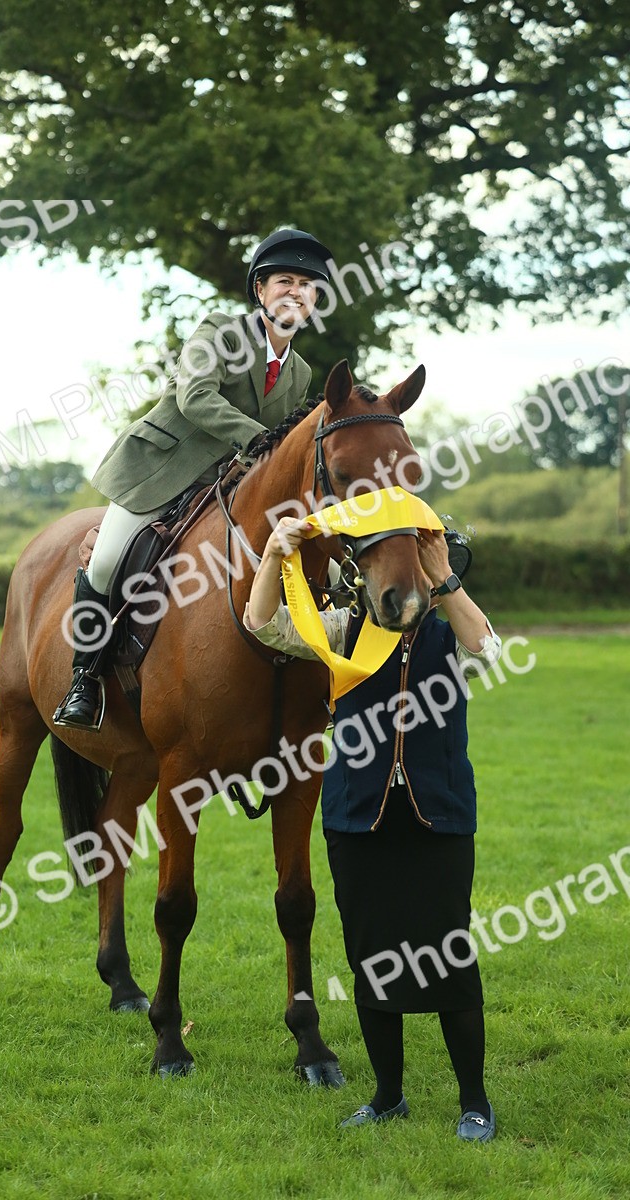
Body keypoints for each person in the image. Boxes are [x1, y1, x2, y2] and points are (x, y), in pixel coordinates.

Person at [245, 516, 502, 1142]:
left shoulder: (448, 631)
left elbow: (488, 651)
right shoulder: (343, 630)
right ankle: (388, 1096)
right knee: (372, 960)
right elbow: (263, 624)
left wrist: (445, 577)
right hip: (357, 819)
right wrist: (272, 556)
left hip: (439, 817)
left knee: (450, 958)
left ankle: (475, 1102)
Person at [54, 228, 334, 730]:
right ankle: (85, 679)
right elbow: (195, 396)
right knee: (107, 562)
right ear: (260, 290)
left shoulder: (301, 374)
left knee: (322, 568)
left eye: (307, 286)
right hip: (161, 472)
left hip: (228, 487)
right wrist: (261, 441)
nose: (296, 292)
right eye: (285, 281)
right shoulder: (220, 331)